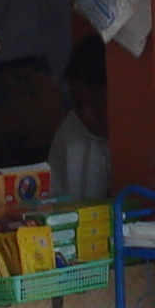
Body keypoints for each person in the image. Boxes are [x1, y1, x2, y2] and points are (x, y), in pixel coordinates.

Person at [47, 29, 111, 202]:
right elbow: (55, 199)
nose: (87, 116)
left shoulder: (145, 135)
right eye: (77, 104)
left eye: (97, 104)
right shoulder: (68, 133)